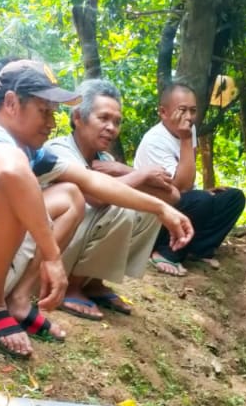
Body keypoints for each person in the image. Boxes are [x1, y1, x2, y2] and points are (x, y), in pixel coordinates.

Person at [0, 60, 192, 359]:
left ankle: (17, 300)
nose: (51, 123)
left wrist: (160, 208)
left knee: (70, 195)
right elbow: (13, 174)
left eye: (53, 114)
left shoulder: (27, 149)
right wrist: (52, 257)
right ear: (12, 103)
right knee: (11, 183)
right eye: (44, 111)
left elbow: (91, 181)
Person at [47, 79, 176, 319]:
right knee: (119, 206)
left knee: (150, 210)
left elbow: (173, 195)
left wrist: (122, 170)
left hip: (75, 243)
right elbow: (97, 198)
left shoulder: (105, 159)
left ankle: (93, 283)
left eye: (117, 122)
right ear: (78, 117)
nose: (111, 128)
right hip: (48, 254)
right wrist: (141, 173)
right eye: (103, 118)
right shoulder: (58, 151)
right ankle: (70, 286)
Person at [133, 80, 245, 275]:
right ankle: (164, 252)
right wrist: (185, 139)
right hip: (154, 212)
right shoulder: (155, 141)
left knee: (233, 198)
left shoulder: (188, 129)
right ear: (163, 112)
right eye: (182, 110)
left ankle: (198, 249)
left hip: (179, 196)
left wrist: (202, 191)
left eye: (193, 111)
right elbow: (180, 190)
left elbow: (188, 174)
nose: (189, 117)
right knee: (199, 201)